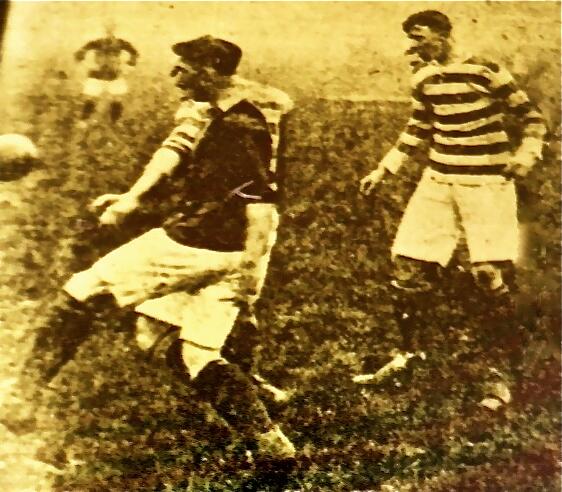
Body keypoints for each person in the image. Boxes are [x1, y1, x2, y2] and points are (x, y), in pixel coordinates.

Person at [5, 35, 295, 460]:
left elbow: (259, 198)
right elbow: (185, 152)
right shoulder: (243, 107)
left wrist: (249, 268)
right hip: (236, 244)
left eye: (183, 69)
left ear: (209, 69)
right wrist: (133, 199)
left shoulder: (238, 127)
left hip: (204, 241)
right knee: (180, 347)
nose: (174, 76)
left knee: (84, 290)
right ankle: (272, 446)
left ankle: (21, 398)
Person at [356, 10, 546, 410]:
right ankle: (409, 355)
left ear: (443, 36)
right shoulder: (423, 77)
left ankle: (499, 372)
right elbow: (418, 127)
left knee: (487, 276)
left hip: (487, 183)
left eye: (420, 37)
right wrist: (383, 169)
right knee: (407, 268)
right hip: (439, 181)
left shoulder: (485, 70)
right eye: (411, 38)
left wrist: (526, 154)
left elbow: (531, 118)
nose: (413, 45)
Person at [74, 23, 138, 125]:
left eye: (111, 29)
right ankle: (83, 121)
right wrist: (86, 65)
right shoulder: (96, 43)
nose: (109, 32)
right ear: (104, 30)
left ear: (114, 30)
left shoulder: (120, 43)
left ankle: (115, 122)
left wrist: (128, 66)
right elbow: (79, 54)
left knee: (117, 99)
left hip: (114, 74)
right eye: (107, 30)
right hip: (97, 75)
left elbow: (134, 53)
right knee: (91, 98)